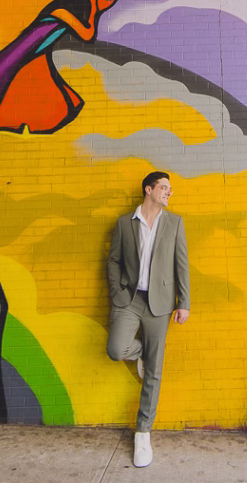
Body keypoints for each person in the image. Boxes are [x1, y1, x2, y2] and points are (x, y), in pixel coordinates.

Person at [106, 171, 191, 468]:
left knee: (154, 371)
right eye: (164, 188)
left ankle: (143, 432)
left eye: (170, 189)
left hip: (161, 304)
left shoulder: (175, 223)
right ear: (149, 190)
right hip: (129, 300)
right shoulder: (124, 223)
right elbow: (113, 260)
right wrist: (117, 292)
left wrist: (185, 303)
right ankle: (141, 351)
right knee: (116, 350)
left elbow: (182, 265)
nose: (169, 193)